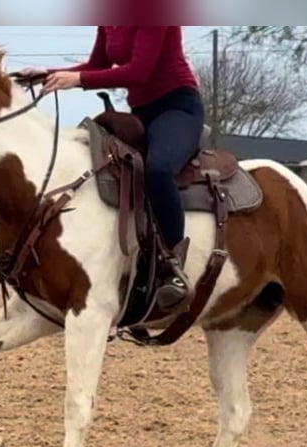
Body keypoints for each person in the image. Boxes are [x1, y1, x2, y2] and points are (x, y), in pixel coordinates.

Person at [19, 26, 205, 314]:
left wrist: (77, 80)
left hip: (177, 108)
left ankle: (173, 267)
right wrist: (48, 73)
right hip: (141, 113)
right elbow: (98, 65)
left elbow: (138, 73)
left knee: (158, 169)